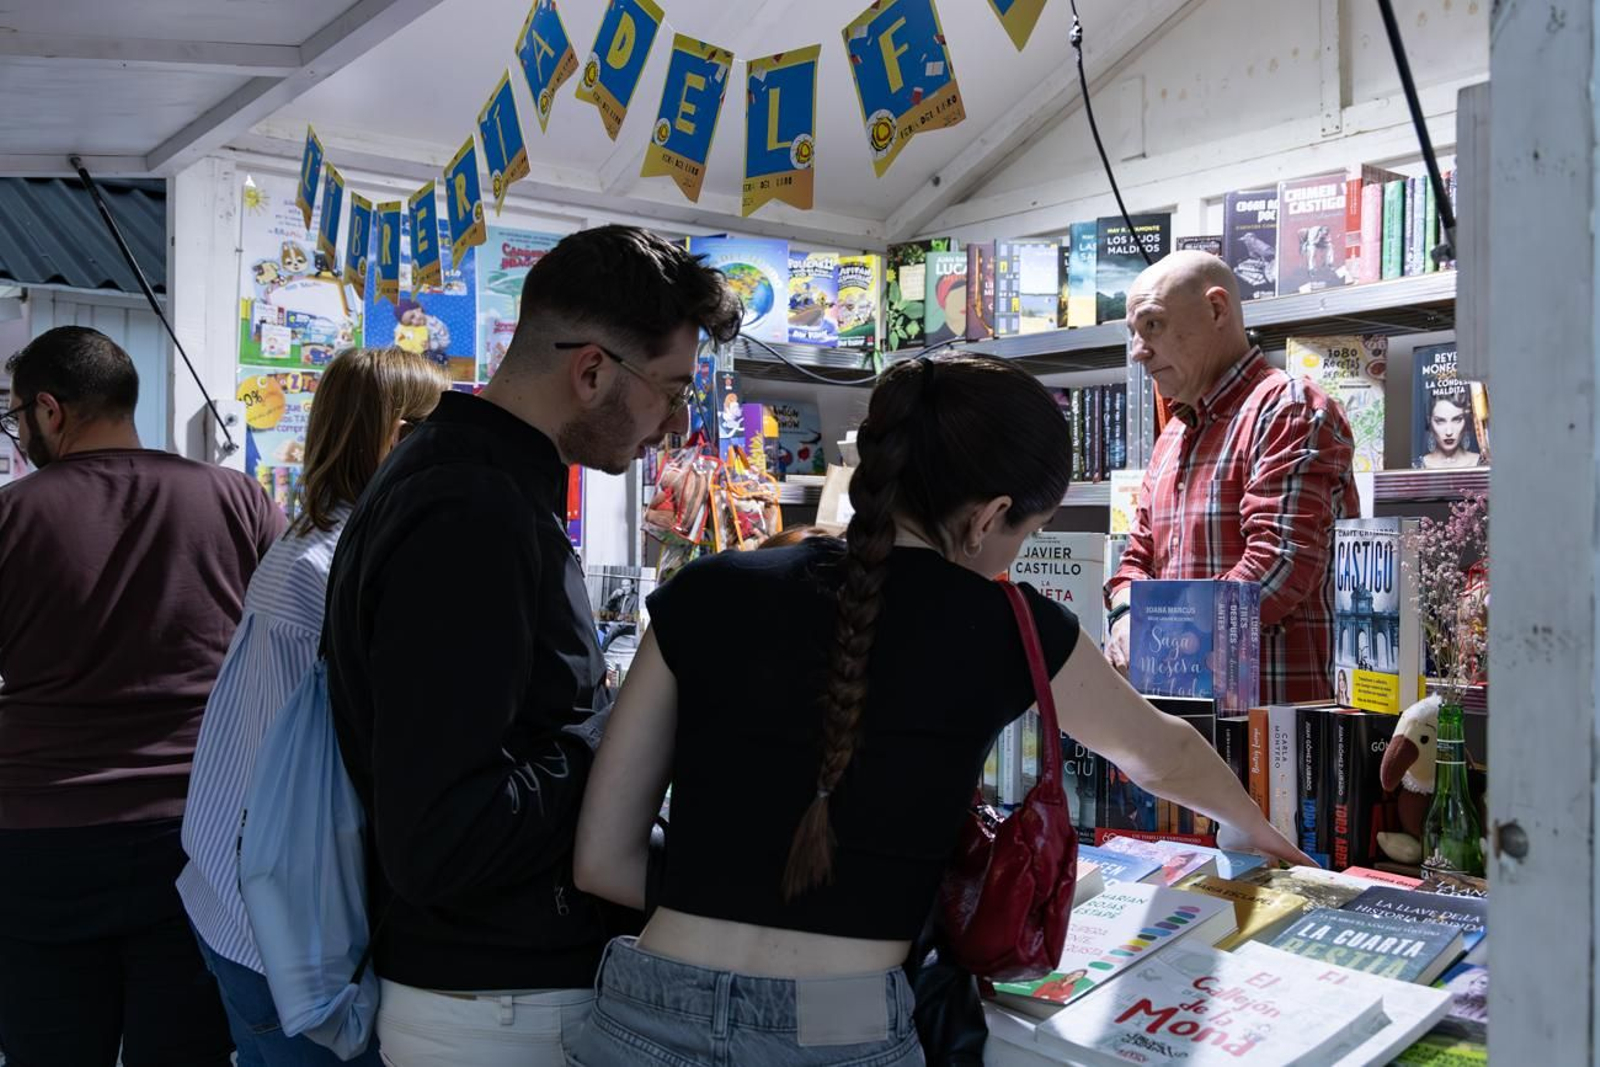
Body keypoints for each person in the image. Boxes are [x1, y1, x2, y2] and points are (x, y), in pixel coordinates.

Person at [570, 355, 1312, 1067]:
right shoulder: (1009, 626)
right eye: (1027, 531)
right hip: (839, 1027)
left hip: (639, 1009)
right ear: (990, 515)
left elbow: (602, 860)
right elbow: (1160, 754)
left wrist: (731, 897)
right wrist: (1260, 830)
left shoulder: (703, 589)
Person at [323, 225, 742, 1066]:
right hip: (494, 1007)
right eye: (669, 390)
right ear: (591, 371)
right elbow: (439, 839)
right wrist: (621, 729)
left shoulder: (474, 478)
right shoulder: (469, 513)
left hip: (497, 992)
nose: (672, 425)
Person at [0, 326, 285, 1065]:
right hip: (201, 834)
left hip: (42, 838)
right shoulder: (237, 499)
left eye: (16, 414)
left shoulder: (13, 516)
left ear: (50, 410)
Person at [178, 347, 447, 1065]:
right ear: (395, 435)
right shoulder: (335, 569)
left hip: (235, 905)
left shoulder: (310, 542)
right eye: (435, 425)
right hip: (283, 935)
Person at [1105, 252, 1359, 704]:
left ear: (1217, 309)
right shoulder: (1173, 436)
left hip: (1268, 732)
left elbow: (1276, 567)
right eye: (1134, 334)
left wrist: (1157, 639)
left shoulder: (1290, 408)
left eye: (1153, 326)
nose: (1138, 351)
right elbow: (1135, 558)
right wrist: (1125, 615)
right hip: (1178, 717)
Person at [1418, 386, 1483, 469]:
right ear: (1429, 422)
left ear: (1466, 421)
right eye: (1440, 421)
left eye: (1457, 420)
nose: (1449, 432)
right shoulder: (1419, 466)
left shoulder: (1481, 463)